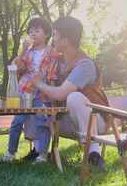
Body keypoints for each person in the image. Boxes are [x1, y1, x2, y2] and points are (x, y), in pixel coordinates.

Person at [32, 16, 109, 170]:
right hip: (68, 120)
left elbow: (61, 94)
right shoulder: (58, 62)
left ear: (65, 41)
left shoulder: (84, 64)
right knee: (32, 102)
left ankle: (93, 153)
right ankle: (38, 151)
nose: (52, 39)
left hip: (96, 120)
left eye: (55, 35)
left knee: (74, 97)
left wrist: (39, 84)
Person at [1, 17, 54, 164]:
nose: (33, 34)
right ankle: (11, 153)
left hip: (43, 93)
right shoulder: (27, 52)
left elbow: (54, 71)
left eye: (37, 31)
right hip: (25, 92)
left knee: (42, 122)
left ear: (47, 34)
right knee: (17, 122)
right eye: (31, 31)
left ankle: (42, 155)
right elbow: (17, 68)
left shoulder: (52, 52)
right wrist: (23, 49)